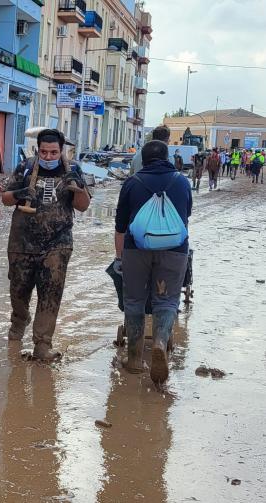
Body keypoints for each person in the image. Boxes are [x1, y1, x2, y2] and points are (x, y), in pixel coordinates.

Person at [0, 129, 91, 361]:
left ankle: (42, 343)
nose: (48, 157)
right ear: (37, 150)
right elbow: (4, 199)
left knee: (51, 291)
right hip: (22, 241)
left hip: (58, 242)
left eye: (53, 152)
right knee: (18, 290)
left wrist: (78, 188)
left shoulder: (74, 170)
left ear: (62, 151)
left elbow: (82, 206)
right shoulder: (26, 167)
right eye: (44, 152)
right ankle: (19, 319)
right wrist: (19, 192)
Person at [114, 140, 192, 388]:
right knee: (167, 300)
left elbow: (120, 225)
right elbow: (186, 215)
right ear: (168, 157)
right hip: (174, 251)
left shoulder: (132, 182)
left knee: (134, 300)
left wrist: (119, 258)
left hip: (136, 250)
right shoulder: (181, 181)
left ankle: (135, 359)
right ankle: (160, 342)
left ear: (143, 160)